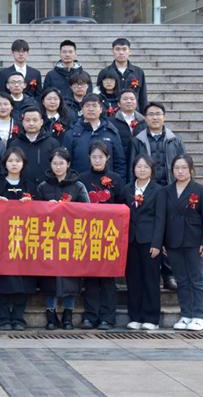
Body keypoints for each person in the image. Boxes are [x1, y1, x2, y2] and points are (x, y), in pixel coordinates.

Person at [154, 154, 203, 331]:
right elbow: (161, 219)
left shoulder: (200, 190)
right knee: (182, 280)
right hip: (173, 242)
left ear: (191, 170)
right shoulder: (166, 191)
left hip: (194, 241)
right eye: (176, 168)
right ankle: (186, 314)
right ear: (172, 170)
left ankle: (199, 316)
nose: (180, 171)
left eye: (184, 168)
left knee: (197, 279)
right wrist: (162, 242)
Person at [131, 102, 185, 291]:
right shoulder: (138, 140)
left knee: (169, 231)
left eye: (158, 114)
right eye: (151, 114)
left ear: (164, 116)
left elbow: (183, 164)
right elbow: (132, 165)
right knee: (150, 230)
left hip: (168, 188)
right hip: (147, 191)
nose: (155, 117)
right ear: (145, 118)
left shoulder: (174, 140)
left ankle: (169, 274)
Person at [36, 147, 89, 331]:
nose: (58, 167)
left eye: (61, 163)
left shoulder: (78, 186)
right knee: (50, 277)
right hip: (49, 238)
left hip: (71, 238)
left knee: (70, 277)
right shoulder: (43, 186)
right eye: (55, 163)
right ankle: (50, 314)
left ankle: (68, 314)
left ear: (68, 164)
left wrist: (69, 208)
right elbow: (35, 212)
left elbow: (88, 210)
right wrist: (47, 207)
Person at [78, 141, 124, 330]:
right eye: (94, 157)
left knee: (107, 278)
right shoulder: (82, 179)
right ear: (89, 158)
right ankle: (90, 316)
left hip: (110, 236)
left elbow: (122, 206)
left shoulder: (116, 179)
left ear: (107, 158)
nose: (97, 160)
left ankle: (107, 317)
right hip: (89, 235)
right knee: (90, 278)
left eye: (101, 157)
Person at [0, 147, 36, 331]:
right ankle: (2, 318)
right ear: (4, 163)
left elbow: (39, 210)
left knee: (23, 278)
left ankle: (18, 317)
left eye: (17, 161)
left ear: (23, 163)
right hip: (1, 238)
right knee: (2, 278)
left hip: (24, 238)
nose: (14, 164)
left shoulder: (30, 184)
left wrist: (30, 205)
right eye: (10, 161)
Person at [120, 155, 164, 330]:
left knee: (150, 280)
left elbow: (160, 219)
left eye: (146, 167)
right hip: (131, 240)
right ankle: (135, 317)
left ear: (151, 170)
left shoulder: (158, 191)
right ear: (134, 169)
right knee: (133, 279)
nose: (142, 170)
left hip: (150, 241)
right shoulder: (127, 189)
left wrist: (157, 243)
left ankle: (151, 318)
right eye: (139, 167)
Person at [63, 94, 126, 179]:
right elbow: (66, 162)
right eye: (87, 106)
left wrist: (118, 182)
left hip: (107, 183)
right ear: (82, 109)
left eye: (94, 105)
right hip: (79, 183)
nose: (91, 109)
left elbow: (120, 163)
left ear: (100, 109)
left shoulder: (111, 132)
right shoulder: (72, 133)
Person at [8, 105, 60, 187]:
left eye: (35, 120)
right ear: (22, 122)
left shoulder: (52, 143)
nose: (31, 123)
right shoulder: (14, 144)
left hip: (47, 187)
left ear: (41, 122)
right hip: (21, 188)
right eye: (27, 120)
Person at [101, 38, 147, 112]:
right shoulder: (104, 72)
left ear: (130, 51)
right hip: (111, 113)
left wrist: (144, 114)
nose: (121, 52)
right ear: (112, 51)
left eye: (124, 49)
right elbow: (100, 96)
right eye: (117, 49)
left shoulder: (138, 72)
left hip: (134, 113)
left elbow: (143, 97)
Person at [110, 89, 146, 172]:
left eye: (132, 99)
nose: (129, 101)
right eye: (125, 99)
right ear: (119, 104)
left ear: (136, 102)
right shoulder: (111, 122)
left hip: (140, 162)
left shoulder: (144, 122)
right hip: (118, 162)